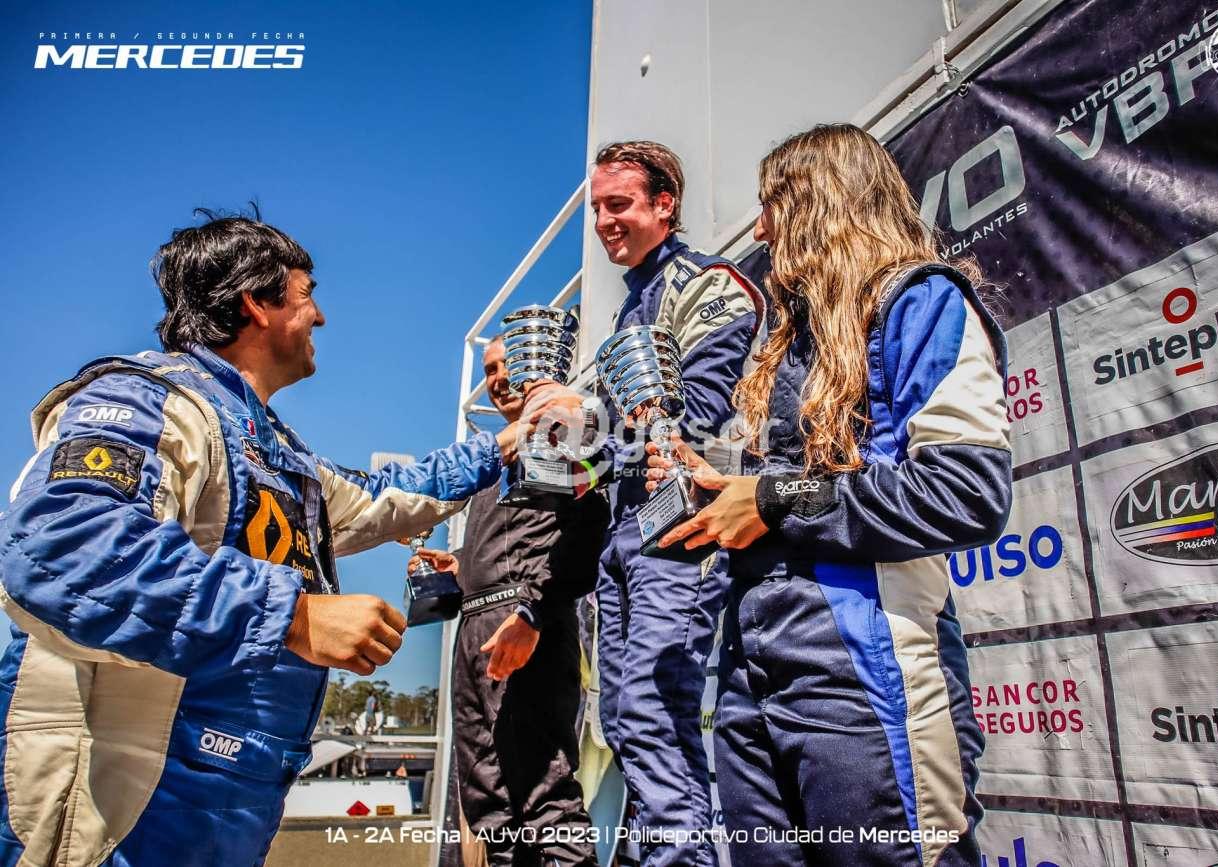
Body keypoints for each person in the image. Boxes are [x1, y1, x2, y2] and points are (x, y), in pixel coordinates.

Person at [0, 210, 518, 867]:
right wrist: (292, 615)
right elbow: (63, 546)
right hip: (114, 801)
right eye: (306, 295)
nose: (320, 316)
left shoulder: (277, 452)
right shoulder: (146, 399)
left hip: (226, 800)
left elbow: (388, 493)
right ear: (256, 303)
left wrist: (510, 441)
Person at [646, 124, 1012, 866]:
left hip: (869, 672)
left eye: (771, 206)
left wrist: (773, 499)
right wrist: (708, 481)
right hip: (752, 668)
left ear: (820, 202)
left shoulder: (920, 300)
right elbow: (776, 487)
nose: (759, 231)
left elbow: (967, 490)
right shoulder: (792, 345)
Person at [525, 141, 762, 867]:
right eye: (597, 208)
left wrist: (586, 416)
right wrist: (557, 443)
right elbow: (606, 456)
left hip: (681, 524)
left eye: (619, 204)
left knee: (654, 711)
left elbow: (699, 416)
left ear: (665, 204)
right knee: (626, 719)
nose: (604, 221)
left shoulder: (711, 283)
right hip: (624, 535)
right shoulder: (631, 308)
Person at [408, 335, 608, 867]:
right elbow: (507, 547)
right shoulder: (490, 461)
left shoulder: (565, 439)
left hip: (525, 627)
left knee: (546, 798)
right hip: (474, 631)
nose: (498, 380)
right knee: (488, 803)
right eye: (490, 370)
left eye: (508, 365)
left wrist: (532, 613)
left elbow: (587, 532)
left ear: (538, 365)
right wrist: (459, 568)